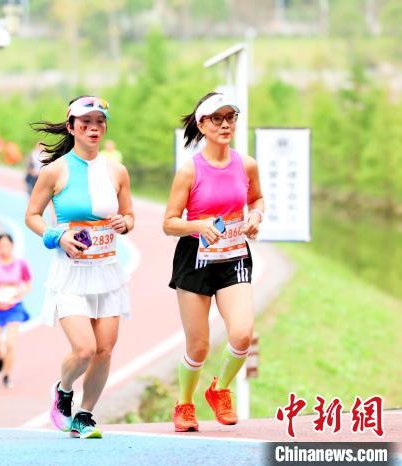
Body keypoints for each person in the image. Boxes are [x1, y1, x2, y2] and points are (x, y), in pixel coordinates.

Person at [25, 96, 134, 439]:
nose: (93, 128)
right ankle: (64, 389)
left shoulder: (117, 171)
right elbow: (32, 216)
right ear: (71, 127)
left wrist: (124, 223)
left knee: (104, 350)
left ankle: (85, 414)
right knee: (85, 349)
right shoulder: (55, 171)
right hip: (70, 274)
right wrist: (57, 236)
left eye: (99, 122)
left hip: (107, 271)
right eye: (85, 122)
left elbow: (129, 216)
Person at [162, 92, 264, 432]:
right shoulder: (189, 170)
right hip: (195, 258)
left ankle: (220, 389)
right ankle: (185, 403)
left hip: (234, 255)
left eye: (230, 118)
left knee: (242, 334)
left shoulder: (246, 164)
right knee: (199, 345)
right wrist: (198, 225)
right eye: (216, 119)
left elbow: (257, 198)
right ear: (202, 125)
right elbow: (169, 223)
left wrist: (256, 216)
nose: (225, 125)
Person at [0, 233, 32, 388]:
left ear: (12, 246)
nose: (4, 249)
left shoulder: (20, 264)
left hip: (14, 308)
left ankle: (6, 375)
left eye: (6, 245)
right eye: (1, 246)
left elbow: (28, 284)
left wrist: (21, 292)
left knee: (10, 343)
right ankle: (1, 357)